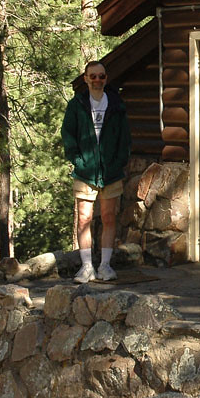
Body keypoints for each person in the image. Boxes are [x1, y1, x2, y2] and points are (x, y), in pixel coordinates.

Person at [61, 61, 131, 283]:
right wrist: (78, 160)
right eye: (93, 76)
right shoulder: (77, 105)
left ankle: (105, 266)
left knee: (109, 217)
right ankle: (86, 267)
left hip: (110, 171)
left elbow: (124, 137)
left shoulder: (116, 105)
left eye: (101, 76)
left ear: (106, 78)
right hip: (85, 172)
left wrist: (119, 161)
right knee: (84, 218)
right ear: (86, 78)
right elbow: (68, 134)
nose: (97, 80)